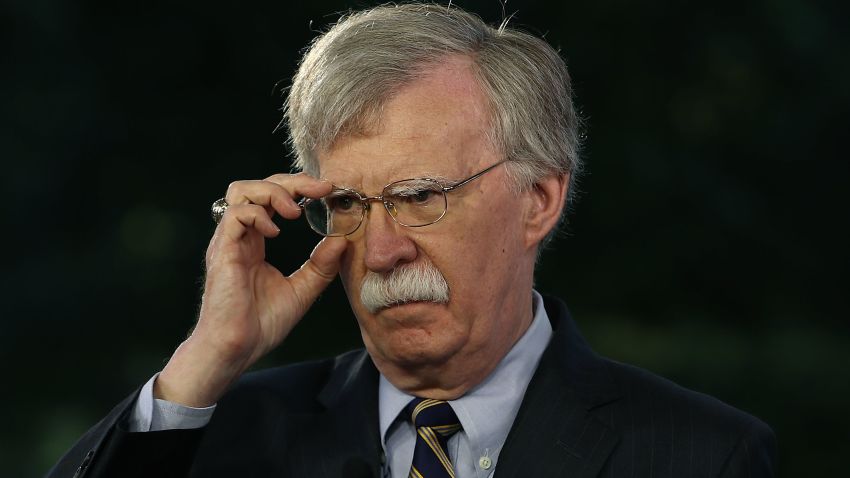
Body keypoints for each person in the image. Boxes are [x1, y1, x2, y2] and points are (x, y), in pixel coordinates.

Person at [48, 3, 776, 477]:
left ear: (538, 200)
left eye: (420, 197)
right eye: (345, 204)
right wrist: (205, 360)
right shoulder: (219, 439)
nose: (383, 250)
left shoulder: (703, 456)